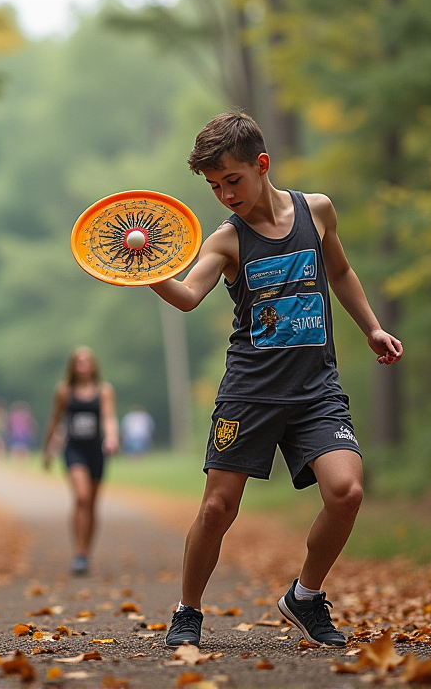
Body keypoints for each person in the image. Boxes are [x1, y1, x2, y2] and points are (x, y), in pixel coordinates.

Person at [149, 113, 402, 648]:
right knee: (218, 508)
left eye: (232, 181)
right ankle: (187, 610)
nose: (224, 195)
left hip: (315, 390)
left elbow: (340, 273)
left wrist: (372, 328)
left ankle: (305, 598)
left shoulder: (318, 211)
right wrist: (150, 273)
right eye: (214, 187)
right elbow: (189, 297)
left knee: (347, 492)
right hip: (250, 392)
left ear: (262, 165)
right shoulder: (225, 241)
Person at [42, 346, 119, 576]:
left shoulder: (104, 390)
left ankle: (86, 553)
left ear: (93, 365)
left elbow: (108, 417)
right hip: (73, 449)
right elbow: (55, 420)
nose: (83, 364)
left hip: (96, 450)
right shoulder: (64, 391)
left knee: (92, 504)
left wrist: (112, 437)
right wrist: (47, 450)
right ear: (73, 366)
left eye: (87, 360)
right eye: (79, 361)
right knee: (82, 497)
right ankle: (78, 552)